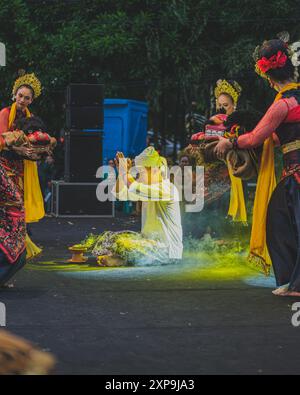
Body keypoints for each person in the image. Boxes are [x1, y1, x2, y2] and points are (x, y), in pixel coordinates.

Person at [214, 37, 300, 296]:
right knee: (283, 221)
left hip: (295, 177)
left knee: (280, 222)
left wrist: (230, 141)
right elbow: (277, 138)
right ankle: (292, 282)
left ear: (269, 78)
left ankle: (294, 284)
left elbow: (255, 138)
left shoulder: (282, 104)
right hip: (292, 176)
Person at [0, 71, 44, 259]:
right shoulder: (5, 113)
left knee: (18, 205)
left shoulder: (30, 118)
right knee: (10, 204)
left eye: (27, 98)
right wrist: (20, 150)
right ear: (14, 95)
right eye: (20, 96)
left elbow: (34, 141)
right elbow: (2, 140)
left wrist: (38, 150)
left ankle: (17, 245)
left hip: (20, 169)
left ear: (31, 100)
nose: (23, 100)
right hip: (3, 166)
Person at [114, 147, 183, 261]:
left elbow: (133, 187)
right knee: (116, 240)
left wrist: (124, 173)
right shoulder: (147, 189)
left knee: (118, 245)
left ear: (155, 170)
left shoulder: (168, 188)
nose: (138, 177)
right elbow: (119, 194)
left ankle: (118, 260)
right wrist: (121, 173)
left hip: (167, 253)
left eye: (141, 173)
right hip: (151, 247)